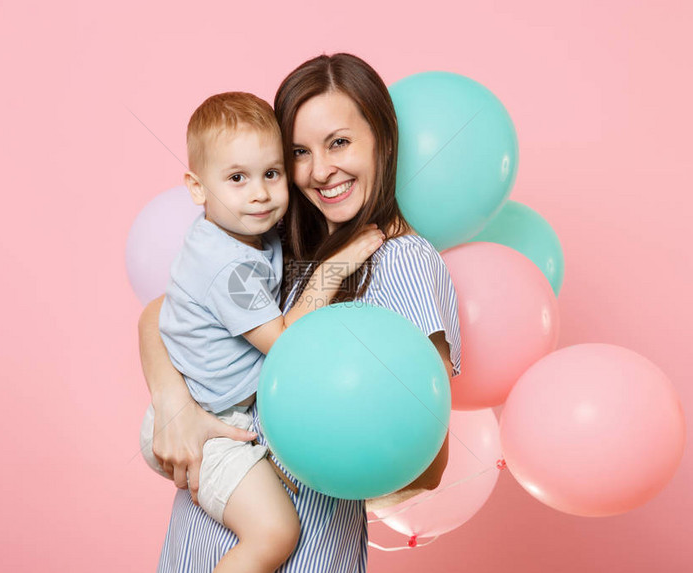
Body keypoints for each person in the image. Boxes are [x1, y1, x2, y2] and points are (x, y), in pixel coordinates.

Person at [138, 53, 462, 572]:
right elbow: (161, 312)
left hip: (299, 554)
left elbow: (425, 460)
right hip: (199, 545)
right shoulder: (276, 241)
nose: (319, 170)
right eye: (297, 152)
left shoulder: (403, 261)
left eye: (339, 142)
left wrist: (296, 465)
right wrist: (174, 404)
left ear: (382, 138)